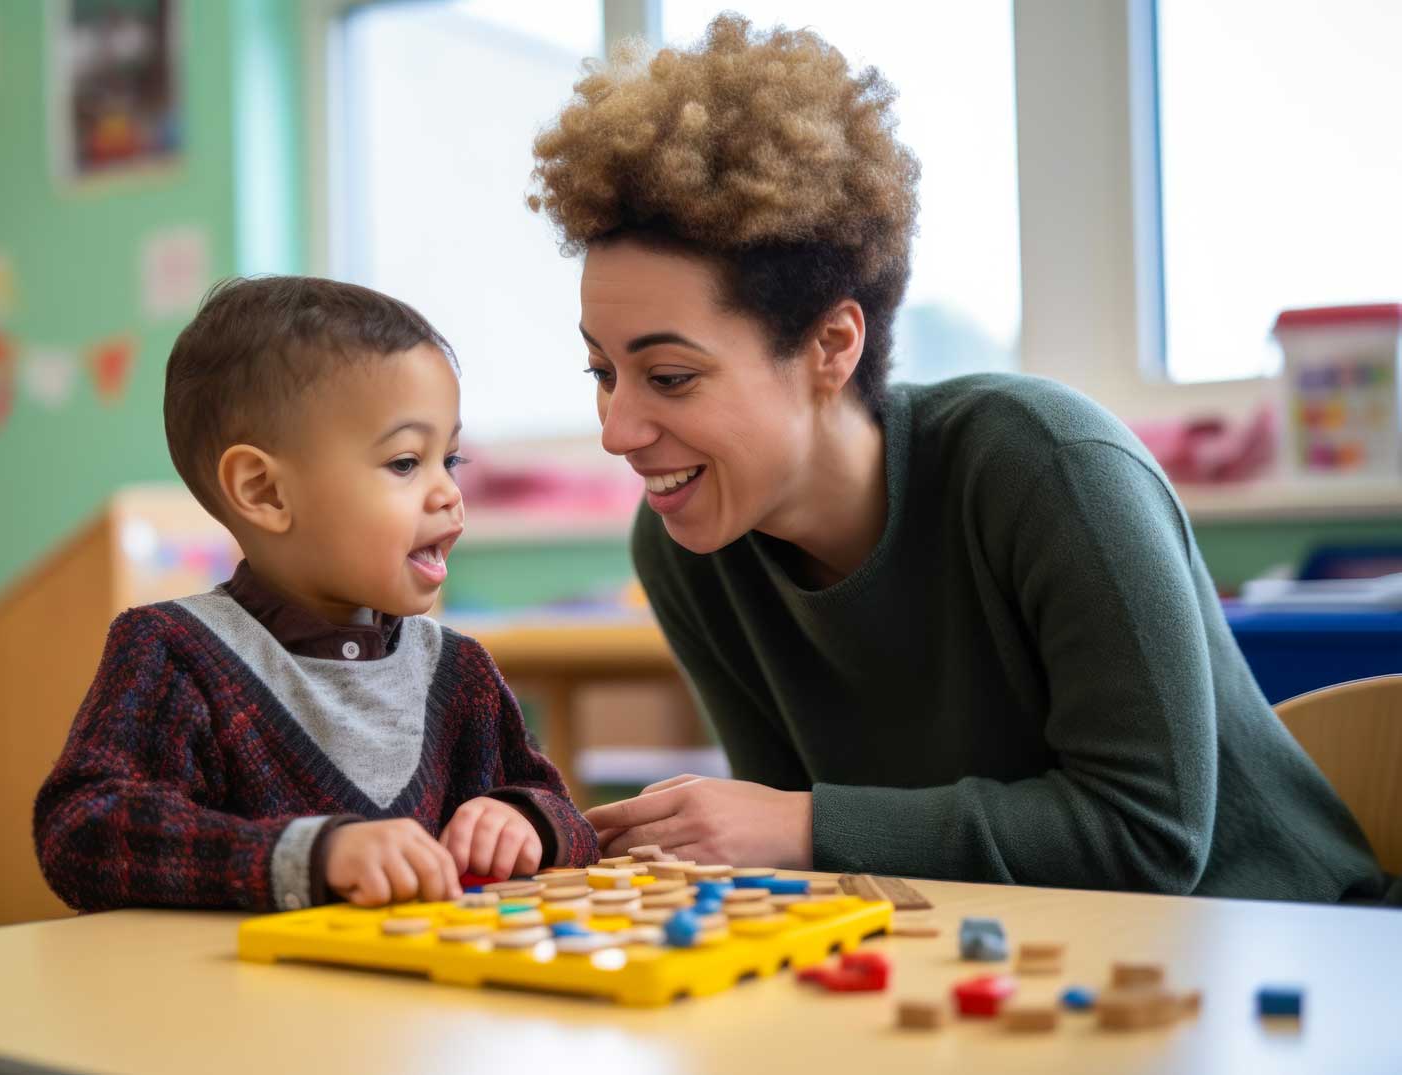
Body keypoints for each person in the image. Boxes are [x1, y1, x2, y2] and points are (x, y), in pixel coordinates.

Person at [530, 16, 1390, 902]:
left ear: (831, 345)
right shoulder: (685, 544)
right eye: (603, 372)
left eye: (670, 377)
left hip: (1296, 940)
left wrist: (799, 825)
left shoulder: (1048, 465)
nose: (616, 430)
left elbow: (1147, 836)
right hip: (1023, 956)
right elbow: (809, 872)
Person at [35, 276, 599, 912]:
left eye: (451, 460)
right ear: (265, 491)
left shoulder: (459, 670)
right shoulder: (173, 652)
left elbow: (566, 817)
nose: (448, 493)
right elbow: (81, 833)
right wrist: (311, 856)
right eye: (405, 463)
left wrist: (524, 819)